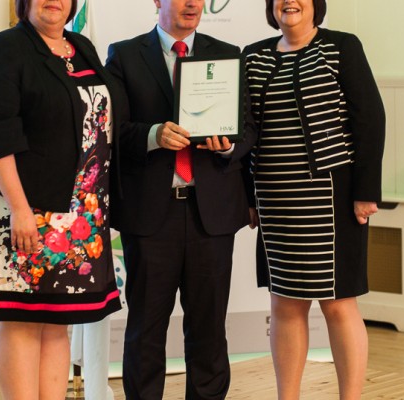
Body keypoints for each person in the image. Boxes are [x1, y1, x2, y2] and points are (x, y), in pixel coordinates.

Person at [0, 0, 123, 398]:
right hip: (23, 207)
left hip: (81, 212)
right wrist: (19, 209)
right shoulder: (3, 49)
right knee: (22, 319)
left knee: (58, 320)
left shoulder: (80, 47)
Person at [105, 0, 257, 398]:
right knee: (146, 330)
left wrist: (227, 146)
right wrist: (153, 136)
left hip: (212, 214)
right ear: (157, 1)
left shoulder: (226, 55)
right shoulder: (123, 55)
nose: (192, 3)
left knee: (209, 329)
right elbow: (111, 132)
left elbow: (247, 130)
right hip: (152, 215)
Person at [243, 0, 385, 399]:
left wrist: (365, 192)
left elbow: (370, 118)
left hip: (333, 198)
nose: (290, 2)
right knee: (285, 304)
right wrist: (247, 197)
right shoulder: (252, 57)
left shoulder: (343, 47)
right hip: (274, 198)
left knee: (339, 305)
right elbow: (244, 129)